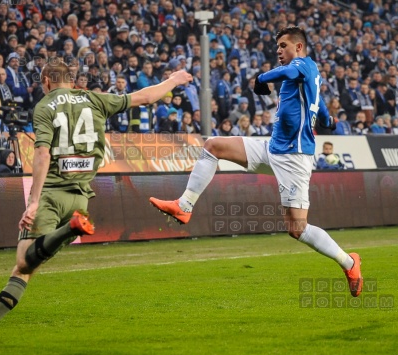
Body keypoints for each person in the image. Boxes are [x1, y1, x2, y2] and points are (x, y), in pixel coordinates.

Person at [0, 59, 192, 346]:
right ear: (70, 79)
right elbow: (145, 96)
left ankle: (70, 229)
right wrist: (174, 79)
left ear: (47, 81)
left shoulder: (44, 106)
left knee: (23, 263)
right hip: (81, 198)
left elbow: (42, 155)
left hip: (52, 193)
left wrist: (33, 201)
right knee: (27, 270)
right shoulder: (94, 99)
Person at [149, 26, 362, 298]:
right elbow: (318, 107)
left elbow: (289, 72)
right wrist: (328, 121)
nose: (279, 51)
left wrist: (262, 77)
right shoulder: (307, 78)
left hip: (294, 158)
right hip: (273, 148)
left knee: (297, 229)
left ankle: (349, 262)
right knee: (213, 145)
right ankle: (184, 205)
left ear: (298, 47)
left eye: (283, 46)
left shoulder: (304, 66)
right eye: (278, 47)